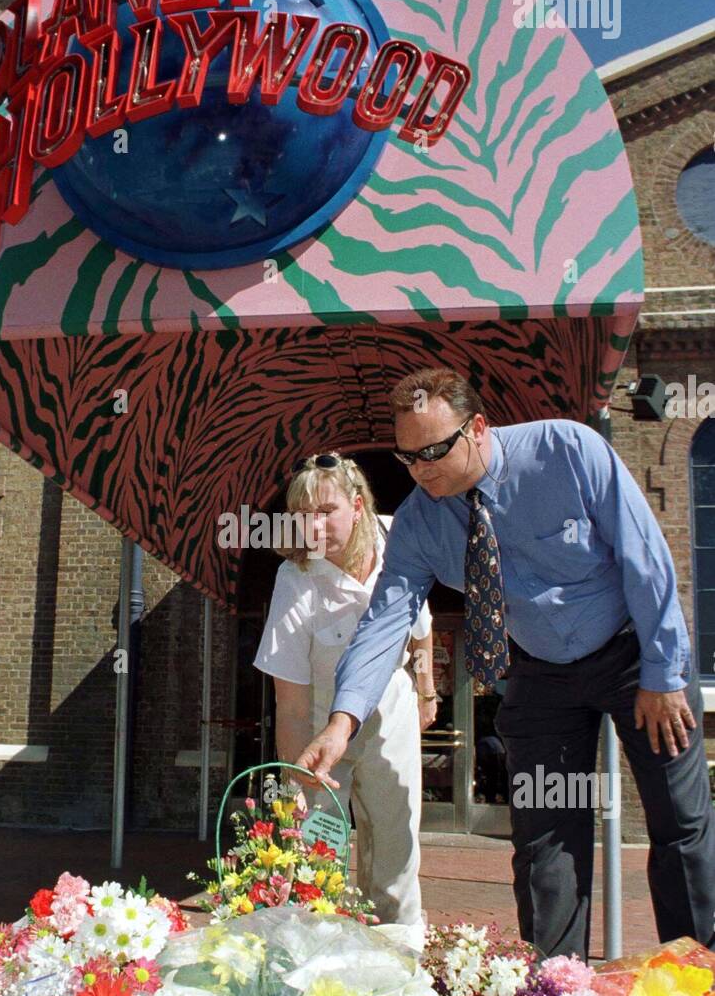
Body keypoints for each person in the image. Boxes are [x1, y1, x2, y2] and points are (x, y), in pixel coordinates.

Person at [295, 369, 715, 961]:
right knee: (546, 834)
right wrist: (342, 723)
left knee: (680, 825)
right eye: (408, 456)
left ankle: (699, 982)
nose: (421, 469)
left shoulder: (568, 451)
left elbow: (644, 558)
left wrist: (664, 673)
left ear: (478, 428)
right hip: (540, 672)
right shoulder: (419, 521)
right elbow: (385, 623)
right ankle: (557, 990)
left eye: (434, 451)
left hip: (634, 654)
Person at [253, 452, 436, 924]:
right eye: (302, 515)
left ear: (357, 506)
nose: (313, 526)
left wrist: (426, 690)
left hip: (391, 706)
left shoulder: (397, 539)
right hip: (319, 719)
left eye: (325, 510)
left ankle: (398, 949)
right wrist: (297, 779)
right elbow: (291, 702)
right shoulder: (295, 580)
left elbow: (421, 626)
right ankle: (319, 946)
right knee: (317, 851)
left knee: (396, 845)